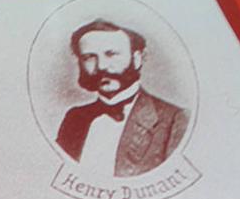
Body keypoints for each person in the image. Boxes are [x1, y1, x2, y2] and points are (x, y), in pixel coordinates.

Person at [55, 19, 188, 177]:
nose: (102, 66)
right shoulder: (74, 118)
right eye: (89, 57)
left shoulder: (174, 119)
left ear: (137, 58)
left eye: (111, 54)